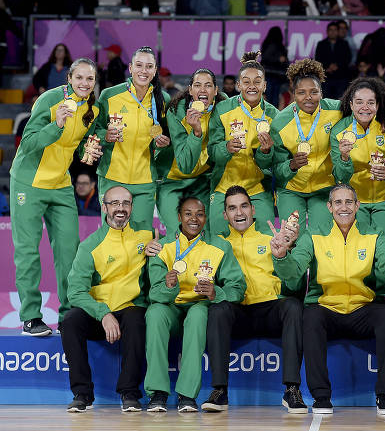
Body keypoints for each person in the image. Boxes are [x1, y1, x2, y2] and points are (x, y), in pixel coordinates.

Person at [271, 184, 385, 415]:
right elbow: (293, 271)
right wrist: (282, 256)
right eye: (338, 202)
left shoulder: (373, 233)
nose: (343, 207)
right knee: (311, 316)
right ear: (329, 207)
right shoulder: (313, 234)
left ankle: (384, 395)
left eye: (349, 202)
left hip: (363, 307)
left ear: (357, 206)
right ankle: (321, 397)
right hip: (326, 307)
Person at [11, 58, 101, 336]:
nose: (85, 83)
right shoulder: (50, 99)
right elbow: (28, 144)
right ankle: (30, 318)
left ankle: (68, 315)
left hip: (61, 184)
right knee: (28, 252)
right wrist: (57, 124)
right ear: (69, 79)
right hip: (29, 181)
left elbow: (76, 147)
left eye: (90, 79)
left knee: (69, 252)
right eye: (80, 78)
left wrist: (91, 148)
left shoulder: (91, 109)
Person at [202, 185, 306, 413]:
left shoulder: (271, 237)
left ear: (253, 209)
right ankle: (220, 391)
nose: (239, 213)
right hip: (237, 311)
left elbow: (294, 283)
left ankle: (292, 389)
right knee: (217, 310)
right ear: (224, 215)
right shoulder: (216, 244)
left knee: (293, 306)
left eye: (244, 206)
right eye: (232, 208)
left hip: (270, 309)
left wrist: (287, 251)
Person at [61, 186, 162, 412]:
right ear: (104, 207)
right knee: (70, 321)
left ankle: (129, 393)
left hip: (131, 307)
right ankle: (81, 393)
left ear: (132, 208)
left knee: (137, 319)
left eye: (125, 203)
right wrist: (103, 313)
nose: (121, 208)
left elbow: (172, 254)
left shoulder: (147, 235)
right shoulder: (90, 245)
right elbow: (75, 291)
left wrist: (160, 249)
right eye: (115, 203)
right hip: (100, 312)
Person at [144, 197, 245, 412]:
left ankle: (187, 395)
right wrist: (168, 286)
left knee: (198, 316)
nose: (194, 219)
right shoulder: (161, 247)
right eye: (188, 214)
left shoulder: (220, 246)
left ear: (205, 218)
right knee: (154, 314)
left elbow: (237, 287)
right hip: (170, 307)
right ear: (179, 217)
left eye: (199, 214)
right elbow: (154, 293)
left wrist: (215, 292)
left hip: (199, 305)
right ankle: (158, 393)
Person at [94, 46, 170, 232]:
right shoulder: (109, 95)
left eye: (149, 66)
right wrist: (105, 135)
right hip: (112, 176)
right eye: (139, 65)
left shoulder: (163, 99)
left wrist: (164, 144)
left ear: (155, 71)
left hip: (144, 180)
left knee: (141, 237)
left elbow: (167, 136)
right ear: (130, 68)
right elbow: (94, 129)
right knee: (111, 235)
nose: (143, 71)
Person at [207, 52, 279, 236]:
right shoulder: (222, 110)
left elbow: (274, 162)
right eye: (246, 81)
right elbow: (212, 151)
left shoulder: (274, 116)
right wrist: (226, 148)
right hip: (223, 186)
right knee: (218, 243)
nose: (252, 86)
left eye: (257, 81)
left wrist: (265, 152)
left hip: (257, 189)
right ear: (238, 85)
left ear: (264, 85)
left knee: (267, 238)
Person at [269, 58, 342, 232]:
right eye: (301, 92)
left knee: (322, 239)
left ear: (322, 93)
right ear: (293, 94)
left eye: (314, 92)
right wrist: (292, 165)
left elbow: (363, 111)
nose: (308, 97)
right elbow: (277, 169)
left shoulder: (337, 110)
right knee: (293, 239)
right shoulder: (280, 122)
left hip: (324, 188)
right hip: (291, 189)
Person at [330, 77, 385, 243]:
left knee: (384, 254)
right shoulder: (339, 132)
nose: (365, 107)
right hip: (355, 203)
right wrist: (344, 157)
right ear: (351, 104)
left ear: (377, 105)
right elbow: (340, 177)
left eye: (371, 102)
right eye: (359, 102)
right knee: (360, 256)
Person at [157, 68, 225, 234]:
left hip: (204, 180)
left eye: (208, 86)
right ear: (190, 90)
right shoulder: (176, 111)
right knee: (176, 234)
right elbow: (185, 165)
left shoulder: (224, 108)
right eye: (197, 85)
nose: (202, 90)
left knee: (208, 232)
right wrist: (196, 133)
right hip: (173, 180)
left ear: (215, 91)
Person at [314, 21, 352, 99]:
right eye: (330, 30)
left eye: (335, 30)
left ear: (338, 32)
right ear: (327, 32)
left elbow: (347, 59)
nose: (333, 32)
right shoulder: (321, 44)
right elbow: (318, 59)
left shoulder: (344, 44)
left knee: (340, 101)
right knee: (326, 101)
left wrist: (337, 66)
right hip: (326, 77)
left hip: (341, 77)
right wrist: (327, 67)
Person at [260, 26, 289, 108]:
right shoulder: (274, 45)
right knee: (273, 98)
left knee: (271, 98)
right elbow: (266, 57)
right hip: (272, 75)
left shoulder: (267, 44)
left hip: (272, 75)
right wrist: (278, 59)